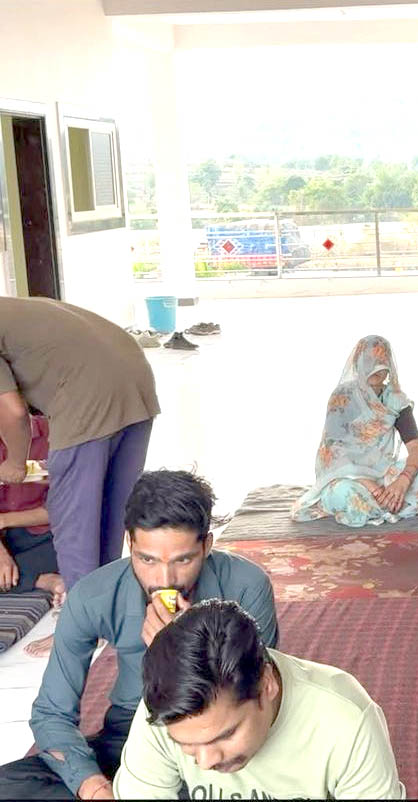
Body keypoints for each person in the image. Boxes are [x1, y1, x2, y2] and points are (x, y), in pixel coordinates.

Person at [0, 470, 278, 801]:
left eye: (183, 560)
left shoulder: (246, 585)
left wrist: (179, 650)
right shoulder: (94, 596)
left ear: (206, 546)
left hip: (215, 734)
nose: (165, 579)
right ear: (130, 543)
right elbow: (52, 713)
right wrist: (92, 786)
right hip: (129, 730)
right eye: (147, 559)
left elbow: (262, 696)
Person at [113, 599, 405, 800]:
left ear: (266, 684)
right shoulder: (165, 709)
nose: (205, 761)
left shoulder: (345, 719)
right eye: (186, 745)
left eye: (225, 735)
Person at [0, 298, 160, 646]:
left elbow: (13, 412)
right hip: (136, 380)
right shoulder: (15, 311)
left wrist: (14, 463)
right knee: (109, 515)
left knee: (74, 524)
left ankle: (79, 631)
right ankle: (104, 617)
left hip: (87, 394)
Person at [292, 334, 418, 528]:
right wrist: (368, 484)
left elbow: (415, 447)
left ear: (389, 366)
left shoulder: (395, 399)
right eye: (369, 360)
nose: (375, 366)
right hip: (348, 477)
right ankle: (393, 504)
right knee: (343, 493)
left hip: (383, 474)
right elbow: (333, 451)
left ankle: (390, 500)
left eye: (381, 360)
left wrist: (403, 481)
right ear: (358, 363)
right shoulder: (343, 397)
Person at [0, 414, 63, 606]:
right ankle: (42, 580)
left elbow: (63, 507)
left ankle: (23, 578)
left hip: (42, 537)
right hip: (4, 541)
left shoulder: (54, 433)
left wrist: (4, 520)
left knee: (77, 549)